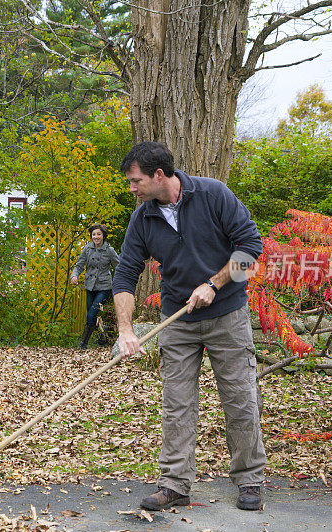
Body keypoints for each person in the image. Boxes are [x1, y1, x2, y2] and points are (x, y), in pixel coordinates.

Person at [112, 142, 266, 511]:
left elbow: (251, 252)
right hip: (176, 321)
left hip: (227, 315)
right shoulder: (143, 218)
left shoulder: (213, 194)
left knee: (240, 400)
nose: (131, 189)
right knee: (176, 406)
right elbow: (125, 274)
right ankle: (175, 485)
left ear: (159, 175)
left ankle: (250, 481)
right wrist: (126, 330)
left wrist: (215, 284)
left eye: (136, 181)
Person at [70, 224, 120, 348]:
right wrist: (74, 276)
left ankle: (83, 344)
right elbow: (79, 265)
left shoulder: (109, 250)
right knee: (91, 315)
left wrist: (121, 282)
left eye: (98, 234)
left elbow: (118, 266)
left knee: (91, 315)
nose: (96, 237)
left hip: (104, 287)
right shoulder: (87, 249)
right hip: (90, 287)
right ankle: (103, 337)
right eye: (94, 234)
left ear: (103, 236)